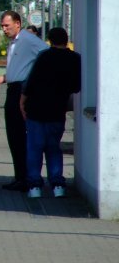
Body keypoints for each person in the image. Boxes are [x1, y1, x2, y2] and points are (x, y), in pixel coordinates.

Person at [0, 10, 48, 192]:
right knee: (14, 135)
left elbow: (45, 55)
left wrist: (33, 80)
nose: (4, 29)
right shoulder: (14, 42)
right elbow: (20, 66)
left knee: (19, 135)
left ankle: (26, 178)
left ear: (18, 24)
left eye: (7, 25)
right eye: (2, 26)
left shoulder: (28, 40)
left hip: (22, 90)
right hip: (13, 88)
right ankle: (20, 176)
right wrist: (4, 77)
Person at [21, 27, 81, 199]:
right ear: (66, 39)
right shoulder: (75, 59)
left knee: (35, 148)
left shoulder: (44, 57)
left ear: (50, 40)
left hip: (36, 109)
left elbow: (30, 81)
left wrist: (22, 101)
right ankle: (57, 185)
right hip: (57, 110)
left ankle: (34, 186)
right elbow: (76, 86)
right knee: (54, 147)